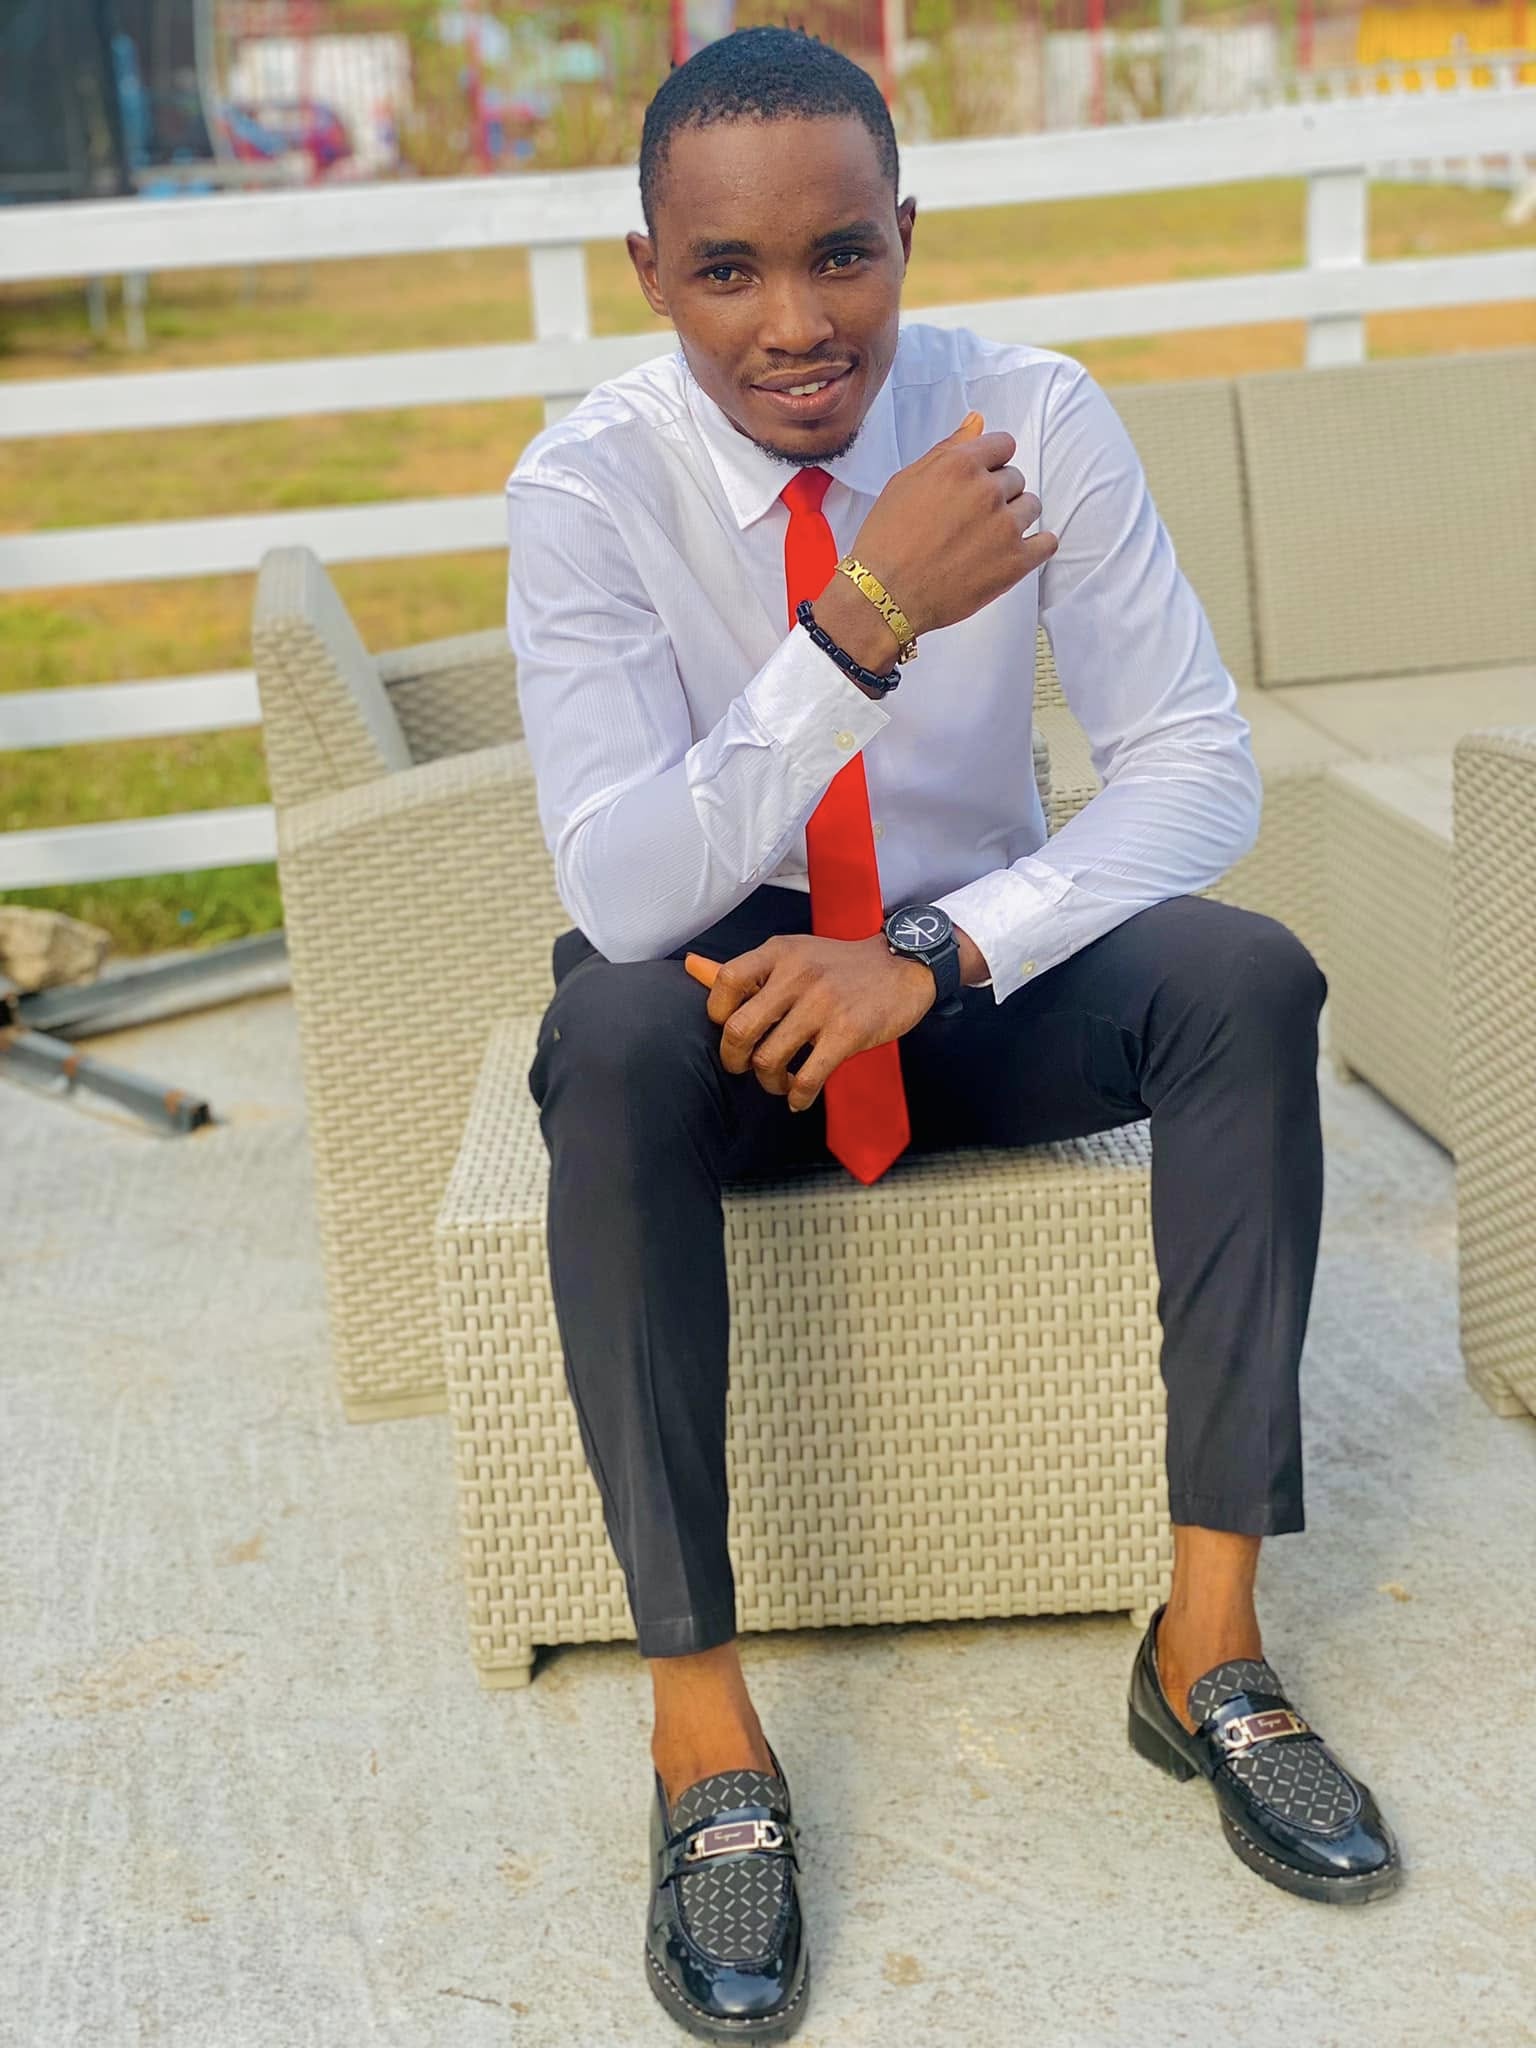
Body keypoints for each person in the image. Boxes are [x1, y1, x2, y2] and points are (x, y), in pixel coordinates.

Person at [505, 24, 1400, 2041]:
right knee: (613, 1040)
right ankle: (702, 1728)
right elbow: (624, 888)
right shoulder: (586, 488)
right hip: (728, 998)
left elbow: (1196, 766)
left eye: (844, 253)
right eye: (729, 270)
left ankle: (1209, 1651)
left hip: (966, 971)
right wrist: (864, 625)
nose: (798, 322)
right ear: (650, 273)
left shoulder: (1033, 417)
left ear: (906, 233)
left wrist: (934, 951)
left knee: (1247, 976)